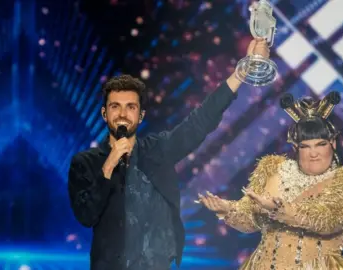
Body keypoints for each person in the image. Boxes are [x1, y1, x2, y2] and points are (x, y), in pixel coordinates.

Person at [67, 38, 270, 270]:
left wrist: (241, 72)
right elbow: (86, 216)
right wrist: (108, 166)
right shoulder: (85, 163)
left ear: (140, 115)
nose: (123, 114)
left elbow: (200, 121)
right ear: (104, 114)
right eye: (115, 106)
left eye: (130, 107)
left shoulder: (158, 150)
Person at [198, 91, 343, 269]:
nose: (313, 153)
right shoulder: (274, 170)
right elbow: (251, 220)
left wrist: (281, 209)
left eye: (321, 144)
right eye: (305, 146)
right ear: (296, 148)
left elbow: (329, 220)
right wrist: (227, 208)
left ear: (333, 143)